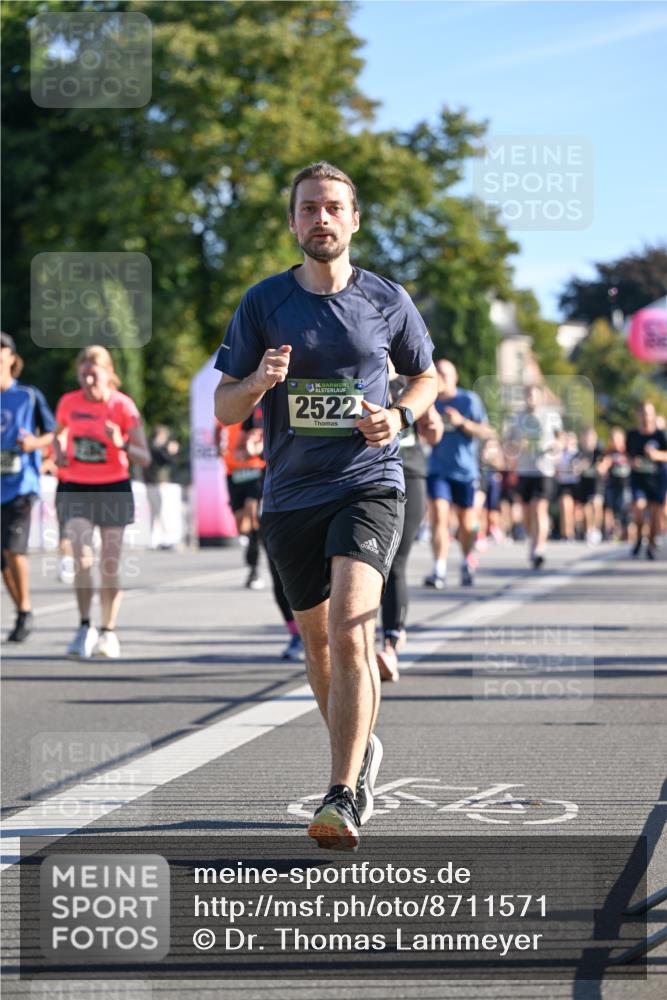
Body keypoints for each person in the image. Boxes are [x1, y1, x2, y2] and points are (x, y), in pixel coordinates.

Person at [214, 161, 437, 850]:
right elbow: (224, 407)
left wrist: (397, 418)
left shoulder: (386, 299)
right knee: (316, 644)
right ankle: (361, 749)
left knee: (349, 627)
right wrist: (258, 379)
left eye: (333, 207)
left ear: (353, 219)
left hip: (369, 482)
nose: (321, 218)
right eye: (308, 207)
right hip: (289, 496)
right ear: (292, 221)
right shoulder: (264, 302)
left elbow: (425, 376)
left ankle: (340, 792)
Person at [53, 345, 150, 658]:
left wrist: (120, 442)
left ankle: (108, 631)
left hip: (113, 487)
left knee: (109, 564)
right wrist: (59, 451)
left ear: (109, 375)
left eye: (93, 375)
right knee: (82, 559)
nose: (88, 381)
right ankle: (84, 627)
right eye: (83, 375)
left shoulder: (123, 407)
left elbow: (144, 457)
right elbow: (59, 435)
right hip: (76, 487)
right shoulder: (69, 402)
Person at [217, 407, 305, 661]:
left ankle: (328, 632)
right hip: (265, 484)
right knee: (279, 570)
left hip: (307, 484)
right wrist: (251, 449)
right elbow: (242, 450)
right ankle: (297, 633)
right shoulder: (254, 403)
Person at [1, 332, 56, 641]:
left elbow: (52, 432)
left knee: (12, 547)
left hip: (22, 484)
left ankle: (24, 611)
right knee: (2, 557)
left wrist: (34, 443)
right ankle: (22, 610)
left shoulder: (28, 396)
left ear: (11, 357)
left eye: (1, 349)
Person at [376, 360, 428, 683]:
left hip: (409, 473)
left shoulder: (413, 385)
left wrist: (432, 425)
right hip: (371, 476)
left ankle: (391, 646)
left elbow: (430, 427)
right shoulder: (359, 379)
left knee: (395, 561)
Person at [420, 359, 493, 588]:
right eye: (438, 373)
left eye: (446, 374)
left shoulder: (468, 400)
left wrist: (461, 422)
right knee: (439, 516)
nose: (441, 378)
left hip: (464, 471)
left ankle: (466, 561)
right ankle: (439, 569)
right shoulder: (429, 401)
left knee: (466, 522)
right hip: (437, 469)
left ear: (455, 378)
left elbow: (486, 431)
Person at [505, 384, 562, 569]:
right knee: (528, 513)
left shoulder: (551, 416)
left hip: (544, 469)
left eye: (534, 396)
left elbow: (561, 438)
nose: (531, 399)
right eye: (528, 396)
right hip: (524, 469)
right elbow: (507, 444)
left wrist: (556, 447)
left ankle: (540, 549)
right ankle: (533, 540)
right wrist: (516, 447)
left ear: (541, 397)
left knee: (539, 508)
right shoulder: (517, 418)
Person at [216, 409, 266, 590]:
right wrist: (218, 448)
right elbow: (217, 429)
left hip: (254, 468)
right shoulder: (226, 410)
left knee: (252, 513)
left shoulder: (253, 411)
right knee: (240, 523)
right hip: (232, 471)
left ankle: (254, 568)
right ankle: (254, 538)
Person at [627, 402, 667, 560]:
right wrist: (632, 461)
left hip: (657, 480)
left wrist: (656, 455)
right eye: (643, 413)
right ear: (638, 416)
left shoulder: (660, 435)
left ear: (653, 414)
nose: (646, 417)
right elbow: (626, 455)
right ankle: (638, 538)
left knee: (656, 514)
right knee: (639, 508)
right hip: (639, 479)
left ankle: (650, 544)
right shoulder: (632, 435)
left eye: (649, 413)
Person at [144, 424, 180, 549]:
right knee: (161, 512)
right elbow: (167, 460)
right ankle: (163, 538)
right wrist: (171, 452)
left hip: (152, 483)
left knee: (157, 512)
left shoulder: (149, 446)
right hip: (157, 483)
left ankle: (156, 538)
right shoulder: (156, 447)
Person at [599, 427, 631, 542]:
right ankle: (612, 532)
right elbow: (602, 466)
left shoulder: (628, 451)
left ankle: (627, 535)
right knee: (612, 509)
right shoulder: (608, 453)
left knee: (625, 510)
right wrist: (604, 465)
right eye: (612, 439)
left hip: (626, 485)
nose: (614, 442)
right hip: (612, 485)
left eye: (616, 439)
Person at [573, 427, 603, 545]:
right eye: (586, 438)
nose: (588, 441)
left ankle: (597, 529)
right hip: (584, 482)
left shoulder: (599, 451)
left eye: (591, 438)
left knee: (596, 503)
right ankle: (590, 530)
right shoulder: (579, 453)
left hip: (597, 482)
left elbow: (603, 465)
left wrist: (597, 466)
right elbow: (574, 466)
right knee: (586, 507)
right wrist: (579, 467)